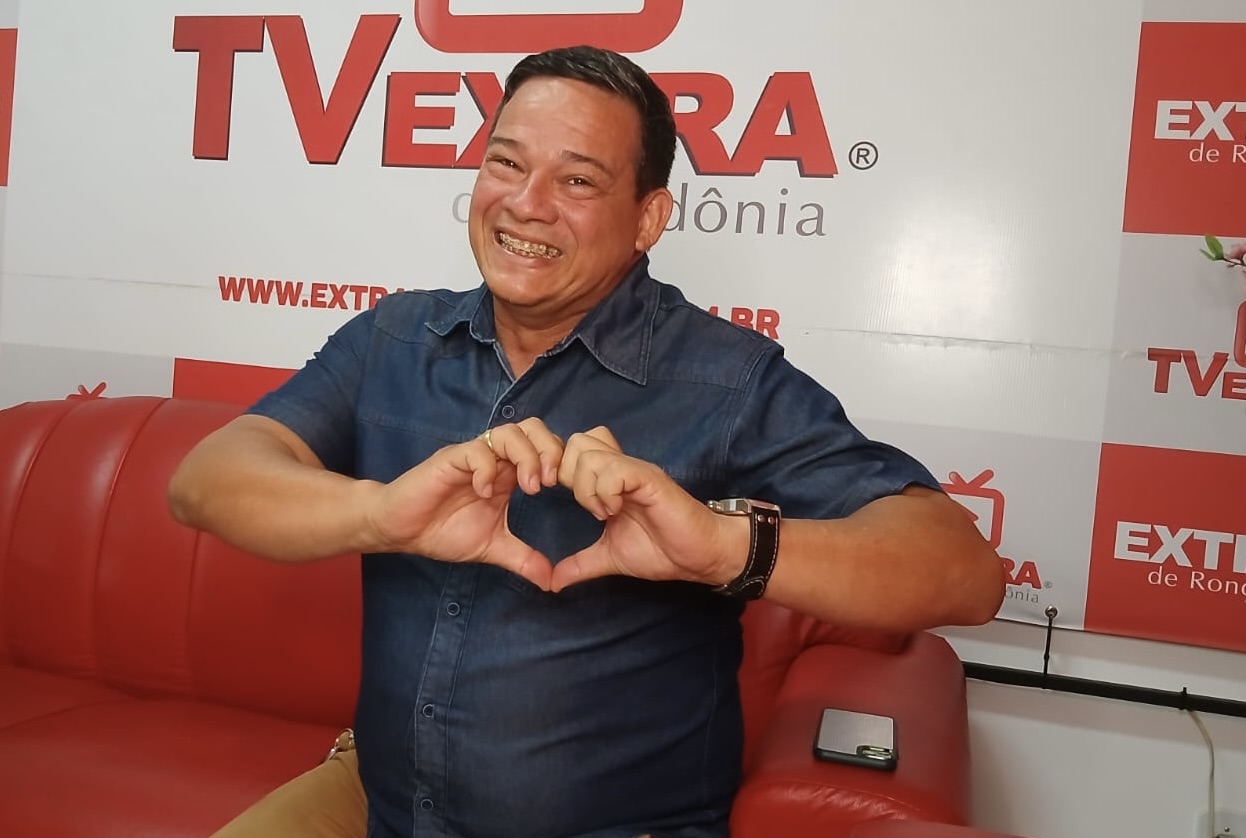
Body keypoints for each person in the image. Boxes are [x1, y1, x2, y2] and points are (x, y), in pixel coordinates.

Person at [167, 44, 1005, 838]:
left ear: (648, 218)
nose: (527, 203)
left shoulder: (726, 380)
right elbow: (205, 480)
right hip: (380, 801)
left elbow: (963, 572)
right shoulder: (395, 338)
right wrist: (381, 514)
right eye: (506, 163)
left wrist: (720, 546)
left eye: (577, 180)